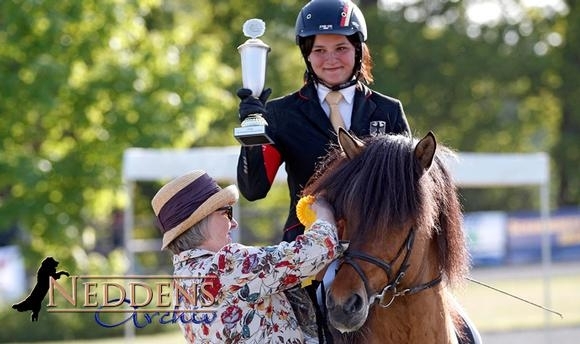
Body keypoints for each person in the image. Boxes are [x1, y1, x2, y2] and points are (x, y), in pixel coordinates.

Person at [236, 1, 411, 341]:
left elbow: (407, 192)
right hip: (308, 248)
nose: (331, 59)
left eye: (341, 48)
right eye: (320, 50)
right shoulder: (281, 114)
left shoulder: (389, 111)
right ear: (307, 55)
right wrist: (251, 132)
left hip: (374, 246)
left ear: (359, 51)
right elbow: (254, 189)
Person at [151, 170, 341, 343]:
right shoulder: (227, 264)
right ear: (201, 221)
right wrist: (323, 212)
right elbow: (319, 247)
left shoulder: (181, 279)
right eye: (226, 212)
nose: (234, 223)